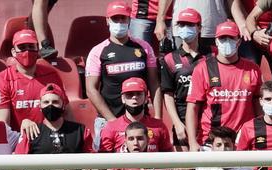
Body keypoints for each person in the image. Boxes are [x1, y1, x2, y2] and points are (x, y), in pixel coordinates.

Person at [85, 1, 160, 134]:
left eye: (123, 18)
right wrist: (113, 122)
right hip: (108, 121)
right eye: (115, 18)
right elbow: (91, 89)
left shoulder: (144, 47)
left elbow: (154, 84)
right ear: (107, 21)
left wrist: (158, 118)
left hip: (140, 121)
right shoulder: (97, 51)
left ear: (129, 19)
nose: (119, 22)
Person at [186, 21, 261, 151]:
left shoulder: (253, 69)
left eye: (231, 38)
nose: (227, 41)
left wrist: (259, 133)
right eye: (222, 38)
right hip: (212, 141)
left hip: (244, 139)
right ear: (216, 41)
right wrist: (192, 141)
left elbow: (258, 105)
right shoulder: (202, 69)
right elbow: (192, 107)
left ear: (239, 41)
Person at [0, 29, 65, 138]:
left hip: (49, 140)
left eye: (31, 47)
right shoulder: (2, 79)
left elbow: (65, 111)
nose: (27, 52)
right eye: (22, 47)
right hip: (17, 140)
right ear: (13, 52)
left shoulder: (52, 75)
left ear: (38, 50)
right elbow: (2, 125)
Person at [160, 8, 206, 149]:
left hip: (207, 118)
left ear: (199, 28)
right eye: (182, 25)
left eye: (190, 25)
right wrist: (176, 123)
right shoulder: (169, 59)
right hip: (182, 119)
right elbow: (168, 94)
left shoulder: (212, 55)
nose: (185, 28)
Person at [97, 78, 172, 153]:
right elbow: (103, 160)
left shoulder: (159, 126)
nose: (134, 97)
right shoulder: (111, 127)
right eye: (129, 94)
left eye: (139, 94)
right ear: (123, 98)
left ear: (146, 98)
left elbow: (168, 158)